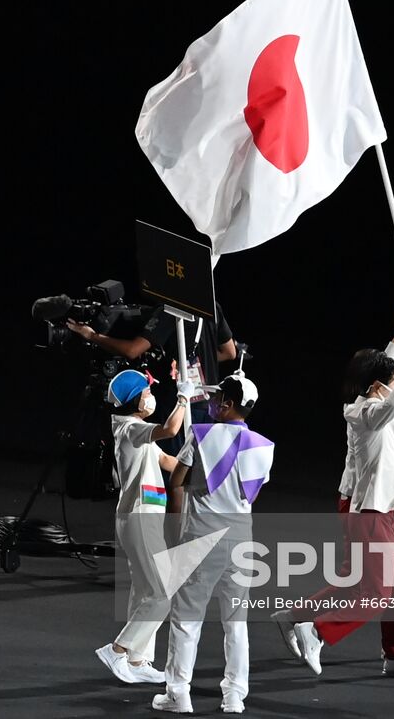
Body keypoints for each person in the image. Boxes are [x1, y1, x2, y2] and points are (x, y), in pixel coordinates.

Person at [273, 340, 394, 679]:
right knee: (375, 593)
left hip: (386, 510)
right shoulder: (362, 412)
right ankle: (317, 629)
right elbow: (391, 403)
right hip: (369, 511)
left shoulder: (383, 411)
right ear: (379, 386)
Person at [153, 374, 273, 715]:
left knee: (186, 617)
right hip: (242, 537)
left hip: (202, 533)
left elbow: (176, 481)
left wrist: (173, 530)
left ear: (228, 404)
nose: (212, 402)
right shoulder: (264, 447)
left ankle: (178, 693)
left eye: (217, 396)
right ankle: (234, 696)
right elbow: (250, 494)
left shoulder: (201, 435)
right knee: (236, 622)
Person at [94, 369, 194, 684]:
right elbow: (170, 428)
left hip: (140, 517)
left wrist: (200, 465)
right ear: (137, 399)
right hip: (140, 517)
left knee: (144, 589)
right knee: (164, 590)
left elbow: (169, 463)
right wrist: (183, 399)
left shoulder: (135, 432)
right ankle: (118, 650)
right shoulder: (131, 429)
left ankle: (137, 660)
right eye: (148, 391)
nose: (151, 396)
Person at [68, 301, 236, 450]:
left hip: (177, 406)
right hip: (207, 406)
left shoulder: (170, 308)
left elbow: (132, 350)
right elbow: (229, 352)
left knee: (173, 473)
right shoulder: (212, 306)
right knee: (196, 473)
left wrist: (91, 336)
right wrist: (192, 360)